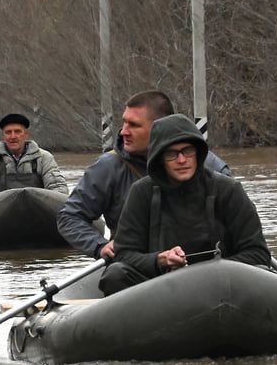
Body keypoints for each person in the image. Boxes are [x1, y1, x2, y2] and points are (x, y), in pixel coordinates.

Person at [98, 114, 271, 296]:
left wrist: (209, 271)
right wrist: (160, 260)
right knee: (115, 275)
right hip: (159, 290)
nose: (181, 160)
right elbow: (124, 254)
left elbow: (258, 254)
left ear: (198, 152)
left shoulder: (229, 190)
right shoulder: (142, 192)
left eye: (187, 151)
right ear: (159, 158)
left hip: (222, 288)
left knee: (263, 274)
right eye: (172, 154)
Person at [57, 90, 232, 260]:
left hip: (206, 263)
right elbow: (70, 216)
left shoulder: (212, 167)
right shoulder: (108, 167)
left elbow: (239, 223)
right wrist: (98, 245)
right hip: (139, 266)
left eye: (134, 125)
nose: (123, 131)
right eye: (124, 123)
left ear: (159, 127)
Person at [0, 113, 69, 203]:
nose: (13, 136)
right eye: (8, 132)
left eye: (17, 131)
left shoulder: (44, 157)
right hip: (1, 215)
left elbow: (59, 189)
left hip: (38, 213)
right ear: (3, 135)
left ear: (26, 134)